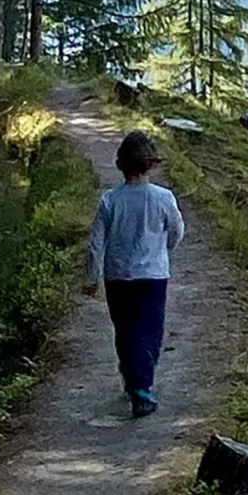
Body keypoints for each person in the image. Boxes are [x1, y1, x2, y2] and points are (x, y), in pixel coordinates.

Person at [84, 131, 185, 418]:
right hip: (153, 276)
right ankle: (142, 389)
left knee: (126, 331)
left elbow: (95, 244)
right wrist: (163, 250)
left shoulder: (110, 201)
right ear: (151, 164)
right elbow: (177, 231)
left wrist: (92, 278)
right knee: (150, 332)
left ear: (121, 165)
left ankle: (133, 381)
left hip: (117, 277)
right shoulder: (163, 198)